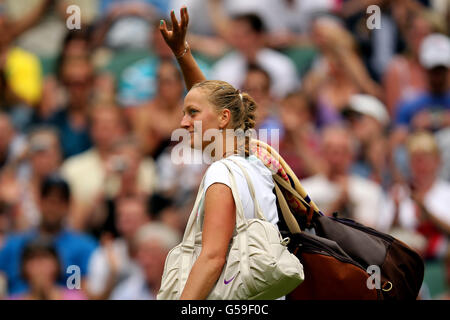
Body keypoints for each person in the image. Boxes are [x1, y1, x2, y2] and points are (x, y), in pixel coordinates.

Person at [158, 7, 280, 299]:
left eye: (192, 114)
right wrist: (182, 53)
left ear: (224, 119)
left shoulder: (221, 172)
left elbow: (212, 258)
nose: (183, 122)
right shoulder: (255, 158)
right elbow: (210, 100)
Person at [0, 174, 97, 296]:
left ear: (68, 205)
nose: (53, 207)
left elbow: (86, 292)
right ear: (39, 201)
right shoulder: (13, 245)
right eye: (49, 200)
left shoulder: (83, 247)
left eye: (59, 202)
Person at [302, 125, 385, 229]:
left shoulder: (370, 191)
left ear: (352, 155)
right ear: (322, 153)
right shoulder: (305, 191)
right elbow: (307, 231)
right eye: (331, 151)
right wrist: (337, 204)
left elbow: (370, 235)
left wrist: (348, 202)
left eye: (343, 151)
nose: (336, 159)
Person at [109, 222, 180, 300]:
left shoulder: (186, 289)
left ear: (170, 257)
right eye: (142, 254)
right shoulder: (126, 291)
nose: (145, 261)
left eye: (152, 254)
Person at [8, 238, 87, 300]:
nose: (40, 267)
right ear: (23, 267)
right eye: (33, 260)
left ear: (57, 264)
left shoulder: (76, 298)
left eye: (45, 258)